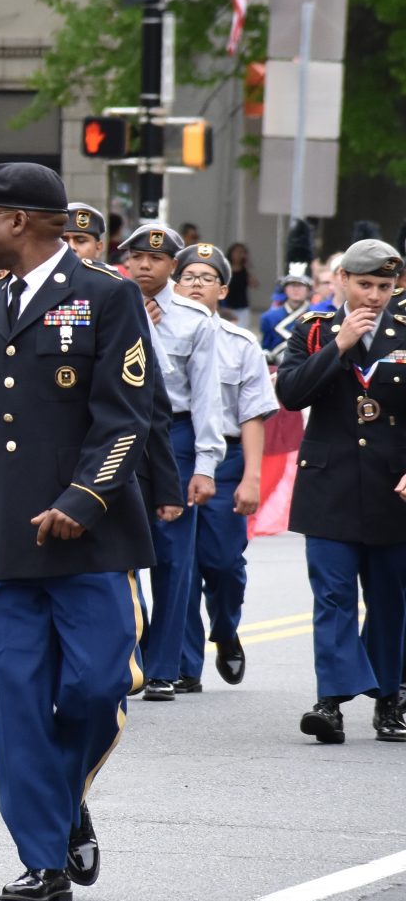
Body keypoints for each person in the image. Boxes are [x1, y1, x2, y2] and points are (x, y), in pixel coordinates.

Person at [0, 163, 157, 901]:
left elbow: (129, 418)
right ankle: (43, 857)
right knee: (19, 706)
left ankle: (64, 798)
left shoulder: (107, 295)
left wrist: (84, 498)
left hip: (88, 542)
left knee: (97, 686)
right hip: (2, 539)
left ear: (20, 222)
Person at [273, 240, 406, 744]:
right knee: (332, 596)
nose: (374, 296)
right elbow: (290, 395)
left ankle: (390, 697)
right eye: (365, 284)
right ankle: (330, 702)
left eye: (385, 287)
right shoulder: (313, 331)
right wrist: (340, 345)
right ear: (343, 280)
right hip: (328, 483)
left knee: (390, 598)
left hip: (392, 486)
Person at [118, 223, 230, 700]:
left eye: (157, 259)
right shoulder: (108, 301)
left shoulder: (192, 318)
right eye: (138, 256)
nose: (146, 265)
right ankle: (130, 657)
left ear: (172, 267)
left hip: (176, 435)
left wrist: (206, 463)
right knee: (120, 551)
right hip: (119, 433)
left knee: (173, 556)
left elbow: (205, 397)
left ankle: (164, 667)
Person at [171, 244, 275, 690]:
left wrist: (252, 476)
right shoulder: (156, 332)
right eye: (188, 276)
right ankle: (184, 665)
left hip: (228, 458)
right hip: (176, 452)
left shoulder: (241, 343)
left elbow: (252, 414)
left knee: (224, 562)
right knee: (182, 566)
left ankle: (226, 628)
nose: (196, 284)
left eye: (206, 277)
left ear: (224, 289)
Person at [259, 270, 311, 358]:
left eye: (301, 285)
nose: (296, 289)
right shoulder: (268, 317)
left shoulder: (317, 315)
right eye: (292, 285)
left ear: (308, 290)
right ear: (285, 289)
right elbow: (266, 348)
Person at [224, 242, 255, 329]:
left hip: (243, 307)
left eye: (242, 252)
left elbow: (254, 284)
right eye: (237, 252)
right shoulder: (226, 268)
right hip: (228, 307)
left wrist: (247, 266)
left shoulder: (245, 269)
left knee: (242, 330)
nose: (239, 255)